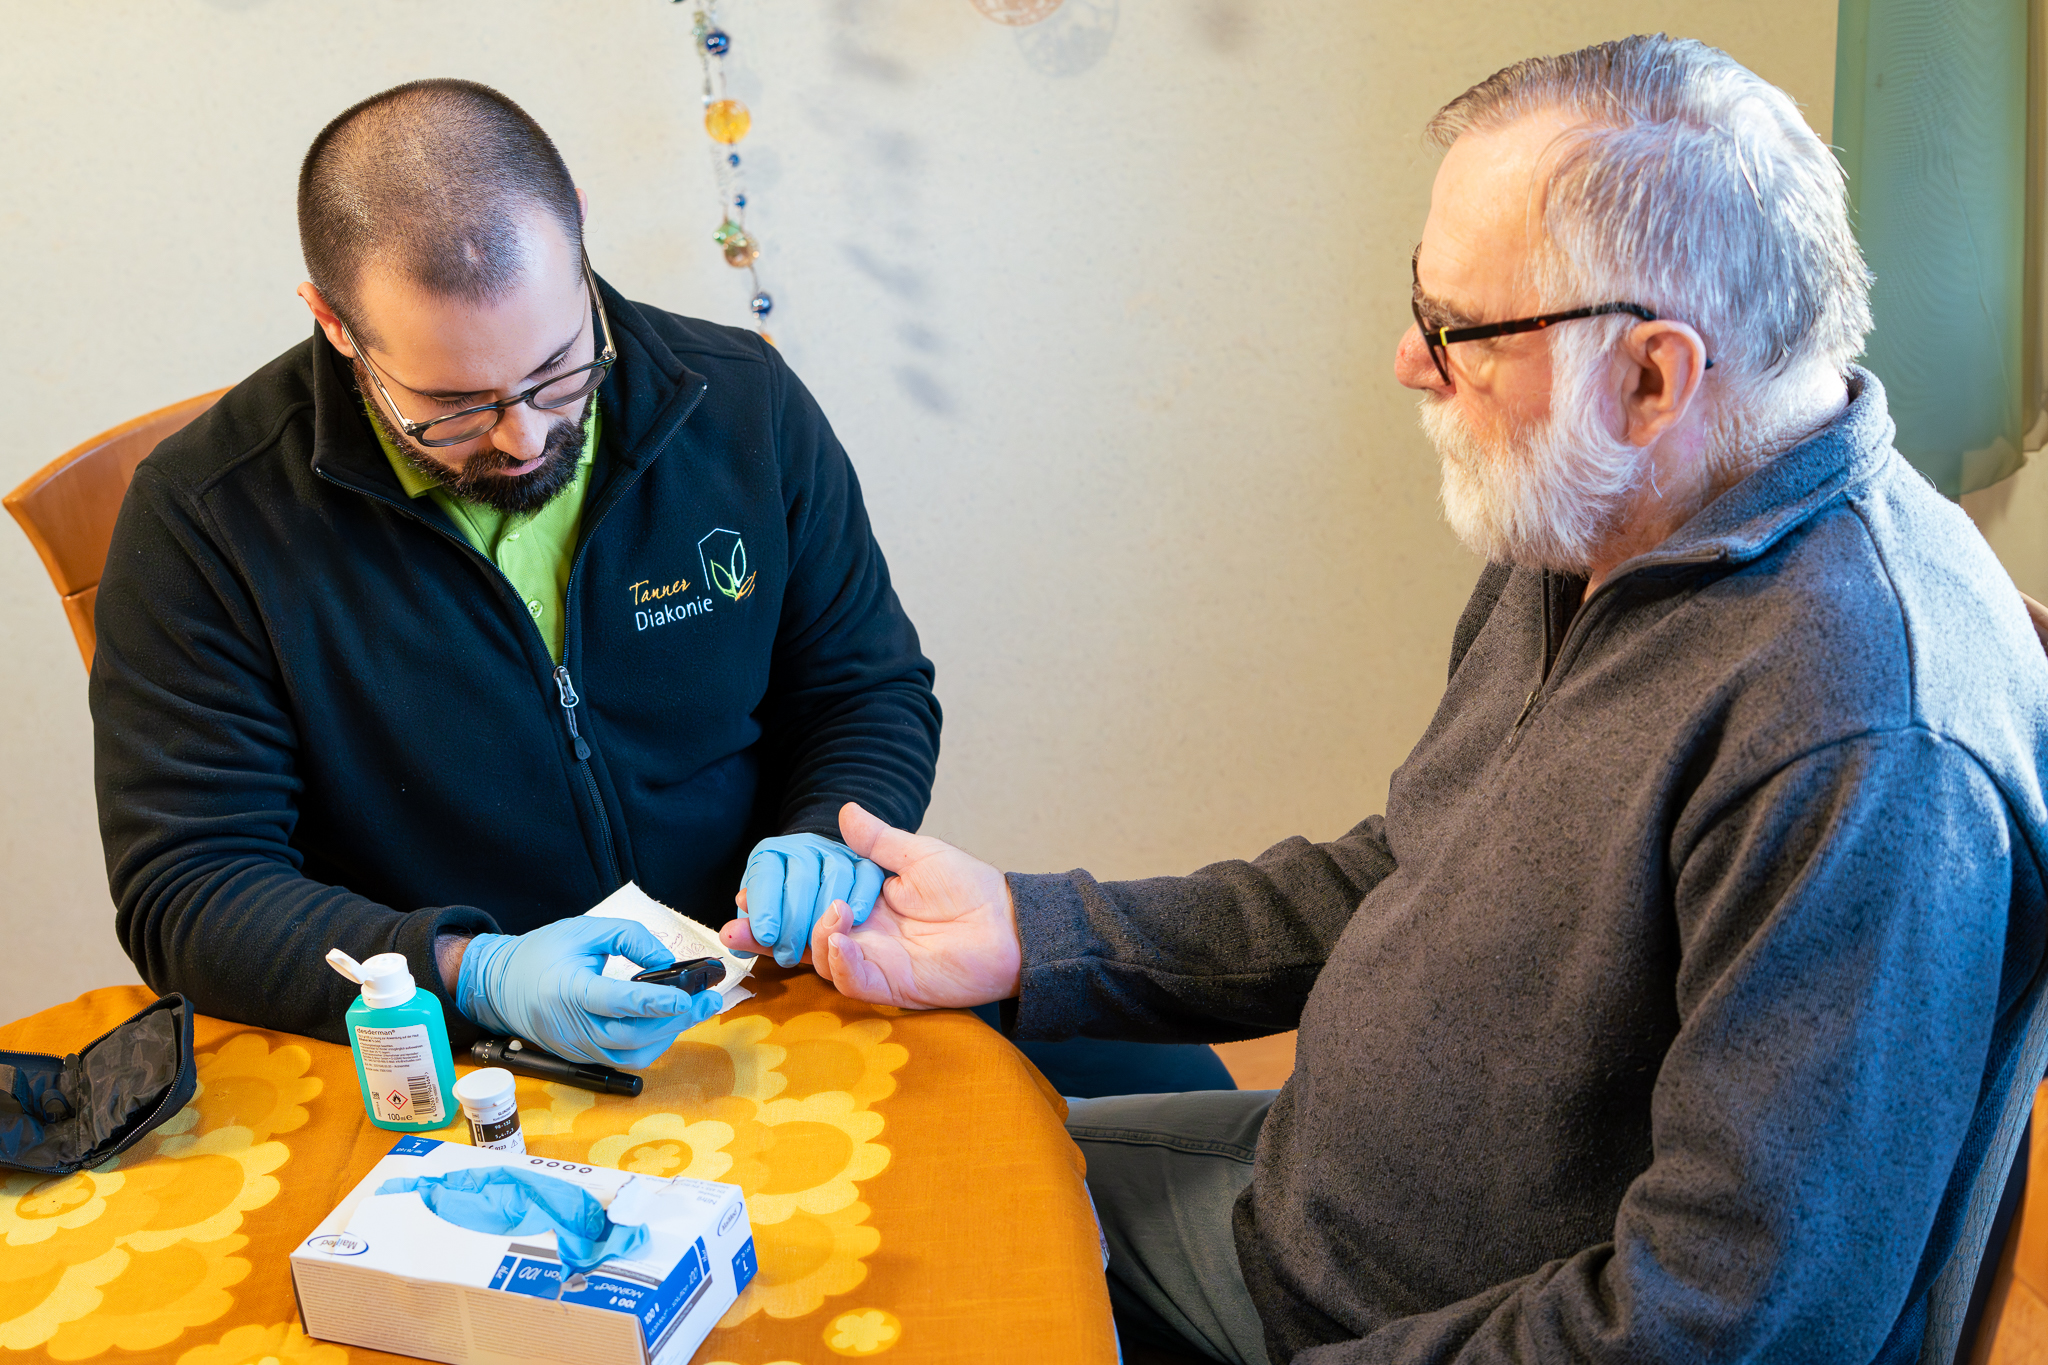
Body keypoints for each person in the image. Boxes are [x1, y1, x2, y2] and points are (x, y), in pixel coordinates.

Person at [723, 35, 2048, 1364]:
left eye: (1459, 329)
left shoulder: (1870, 737)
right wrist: (1032, 929)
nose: (1412, 364)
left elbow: (1728, 1321)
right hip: (1295, 1214)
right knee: (868, 1207)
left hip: (1389, 1329)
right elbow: (1403, 866)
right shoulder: (1601, 524)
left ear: (1652, 376)